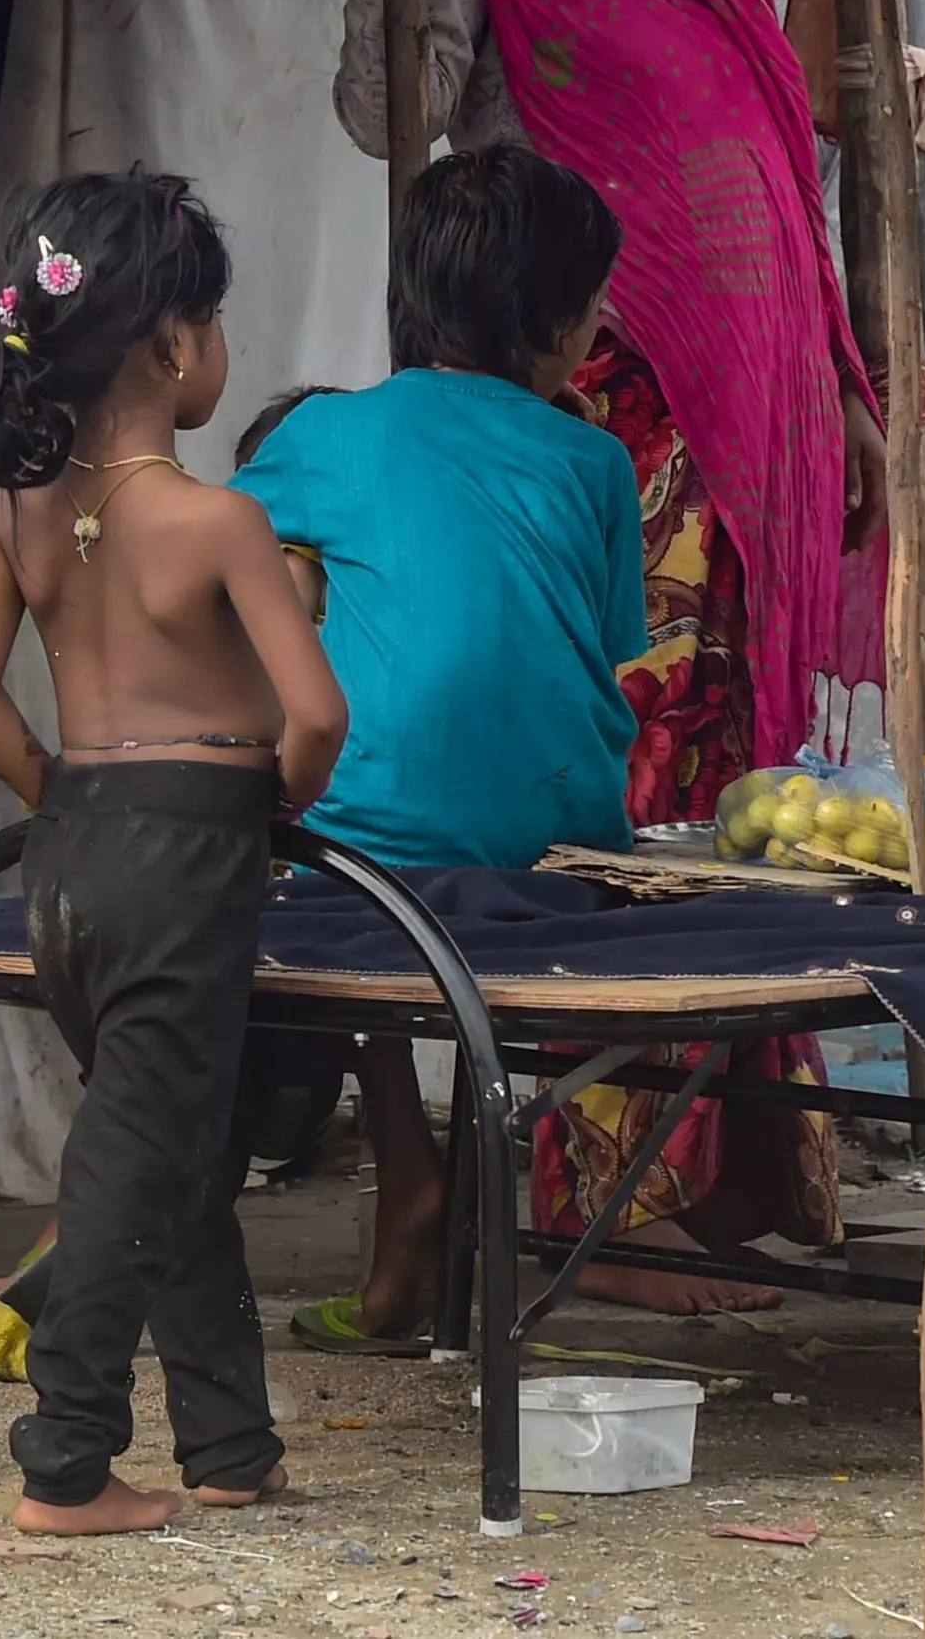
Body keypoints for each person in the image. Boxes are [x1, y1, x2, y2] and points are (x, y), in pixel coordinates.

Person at [340, 0, 878, 1305]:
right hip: (605, 426)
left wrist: (845, 388)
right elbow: (384, 109)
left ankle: (728, 1168)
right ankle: (596, 1190)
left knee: (740, 784)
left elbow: (783, 186)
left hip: (758, 426)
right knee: (633, 778)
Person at [0, 171, 348, 1537]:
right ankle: (67, 1457)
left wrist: (61, 791)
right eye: (215, 322)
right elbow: (319, 712)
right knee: (135, 1153)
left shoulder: (19, 512)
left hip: (70, 851)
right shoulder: (220, 521)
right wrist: (269, 811)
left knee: (174, 1146)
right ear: (172, 345)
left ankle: (231, 1441)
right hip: (192, 845)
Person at [231, 148, 650, 1347]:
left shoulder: (323, 435)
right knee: (425, 882)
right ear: (552, 322)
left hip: (371, 858)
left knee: (334, 852)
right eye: (593, 303)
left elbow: (230, 572)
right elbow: (597, 652)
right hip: (561, 845)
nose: (604, 322)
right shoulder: (599, 462)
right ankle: (437, 1182)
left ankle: (409, 1168)